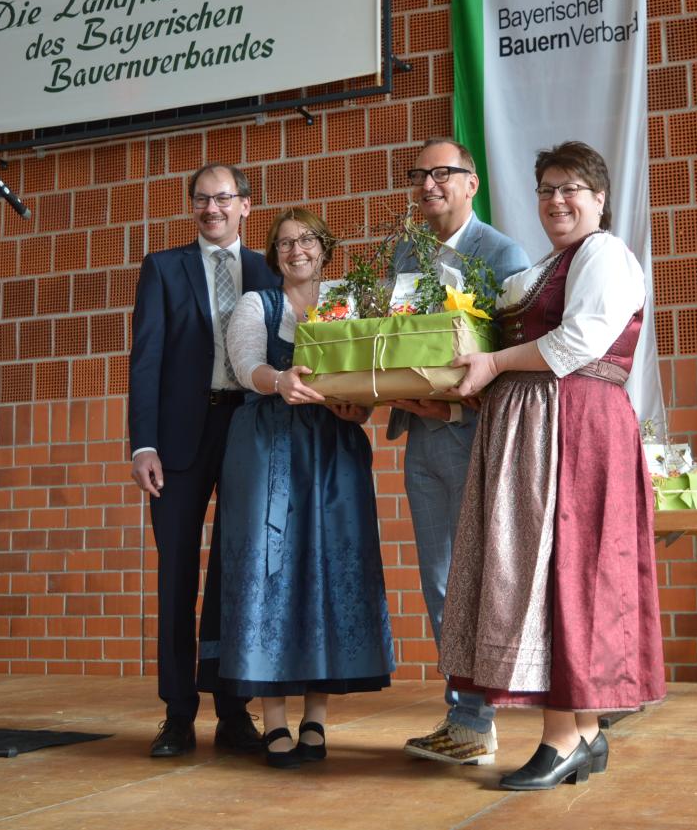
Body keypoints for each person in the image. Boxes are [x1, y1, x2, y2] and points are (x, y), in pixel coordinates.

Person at [438, 141, 667, 790]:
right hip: (544, 428)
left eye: (571, 188)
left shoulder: (603, 255)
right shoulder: (552, 263)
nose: (557, 200)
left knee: (563, 573)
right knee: (559, 574)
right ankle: (586, 734)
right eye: (546, 189)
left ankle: (562, 737)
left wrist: (496, 364)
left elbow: (578, 341)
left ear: (599, 198)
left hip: (576, 430)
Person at [215, 207, 395, 769]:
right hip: (268, 444)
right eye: (286, 242)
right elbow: (246, 366)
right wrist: (280, 381)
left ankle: (316, 716)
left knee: (327, 565)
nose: (297, 250)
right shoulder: (256, 305)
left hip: (333, 448)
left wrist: (356, 406)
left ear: (325, 246)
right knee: (269, 570)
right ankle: (273, 721)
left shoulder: (350, 302)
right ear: (273, 254)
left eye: (308, 240)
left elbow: (368, 381)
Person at [388, 138, 531, 766]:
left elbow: (515, 360)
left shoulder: (503, 254)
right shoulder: (404, 252)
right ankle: (461, 713)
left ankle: (479, 718)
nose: (428, 184)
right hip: (420, 442)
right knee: (437, 580)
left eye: (442, 174)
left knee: (472, 582)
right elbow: (391, 341)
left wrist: (450, 405)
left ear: (471, 183)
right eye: (419, 175)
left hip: (475, 441)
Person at [128, 163, 278, 758]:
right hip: (178, 441)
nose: (210, 209)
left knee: (235, 574)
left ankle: (233, 709)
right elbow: (146, 360)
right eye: (200, 199)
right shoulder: (164, 268)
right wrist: (143, 444)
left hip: (248, 431)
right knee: (176, 576)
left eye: (222, 199)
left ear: (245, 204)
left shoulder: (268, 269)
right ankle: (177, 713)